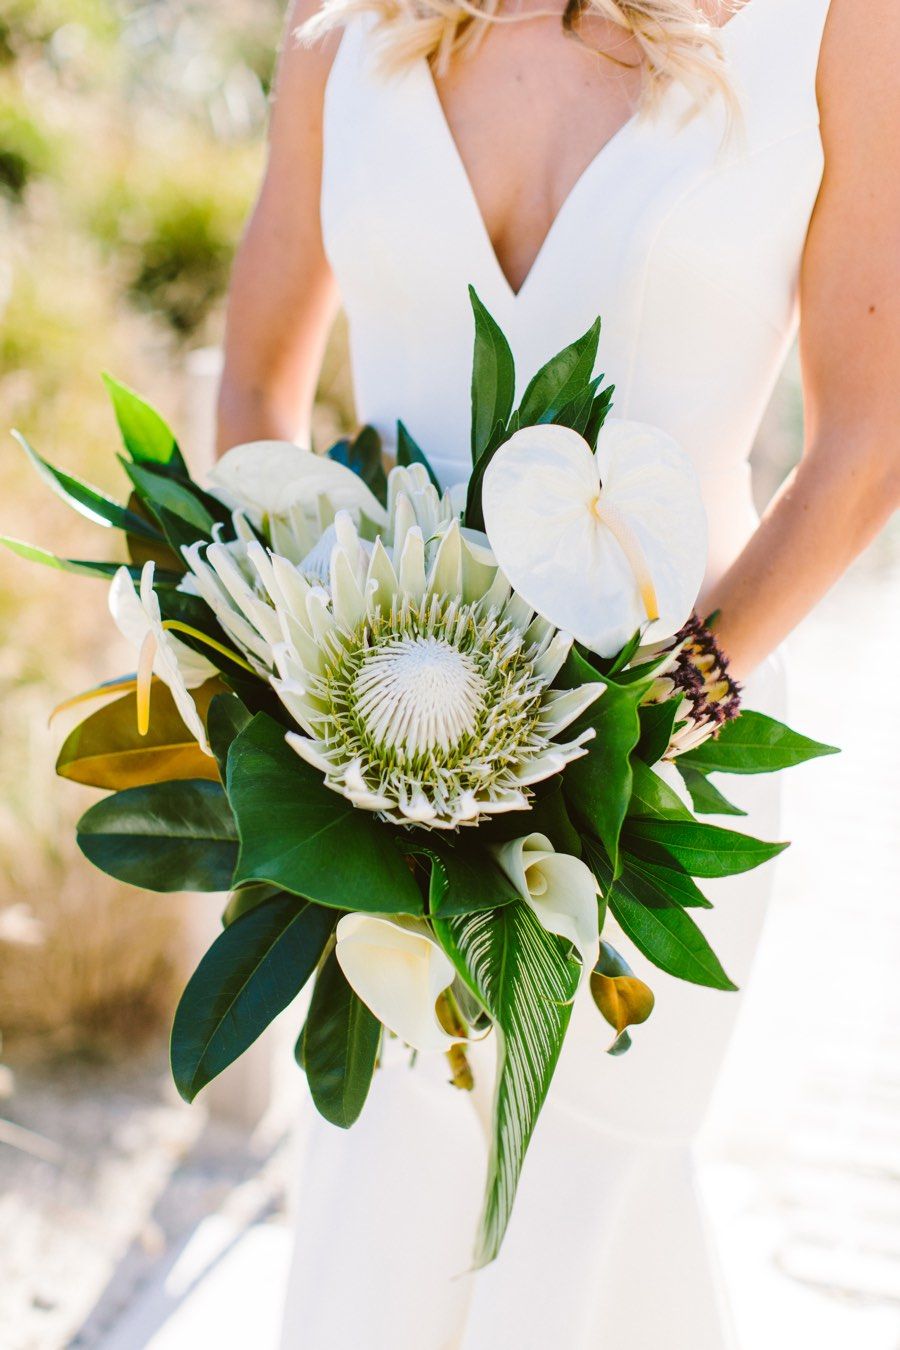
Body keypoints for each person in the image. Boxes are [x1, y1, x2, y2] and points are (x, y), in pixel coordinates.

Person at [216, 1, 900, 1344]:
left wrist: (676, 704)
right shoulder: (344, 26)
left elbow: (871, 432)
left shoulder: (832, 20)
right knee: (383, 1229)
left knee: (583, 1232)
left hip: (653, 794)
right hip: (378, 784)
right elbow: (253, 386)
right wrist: (305, 677)